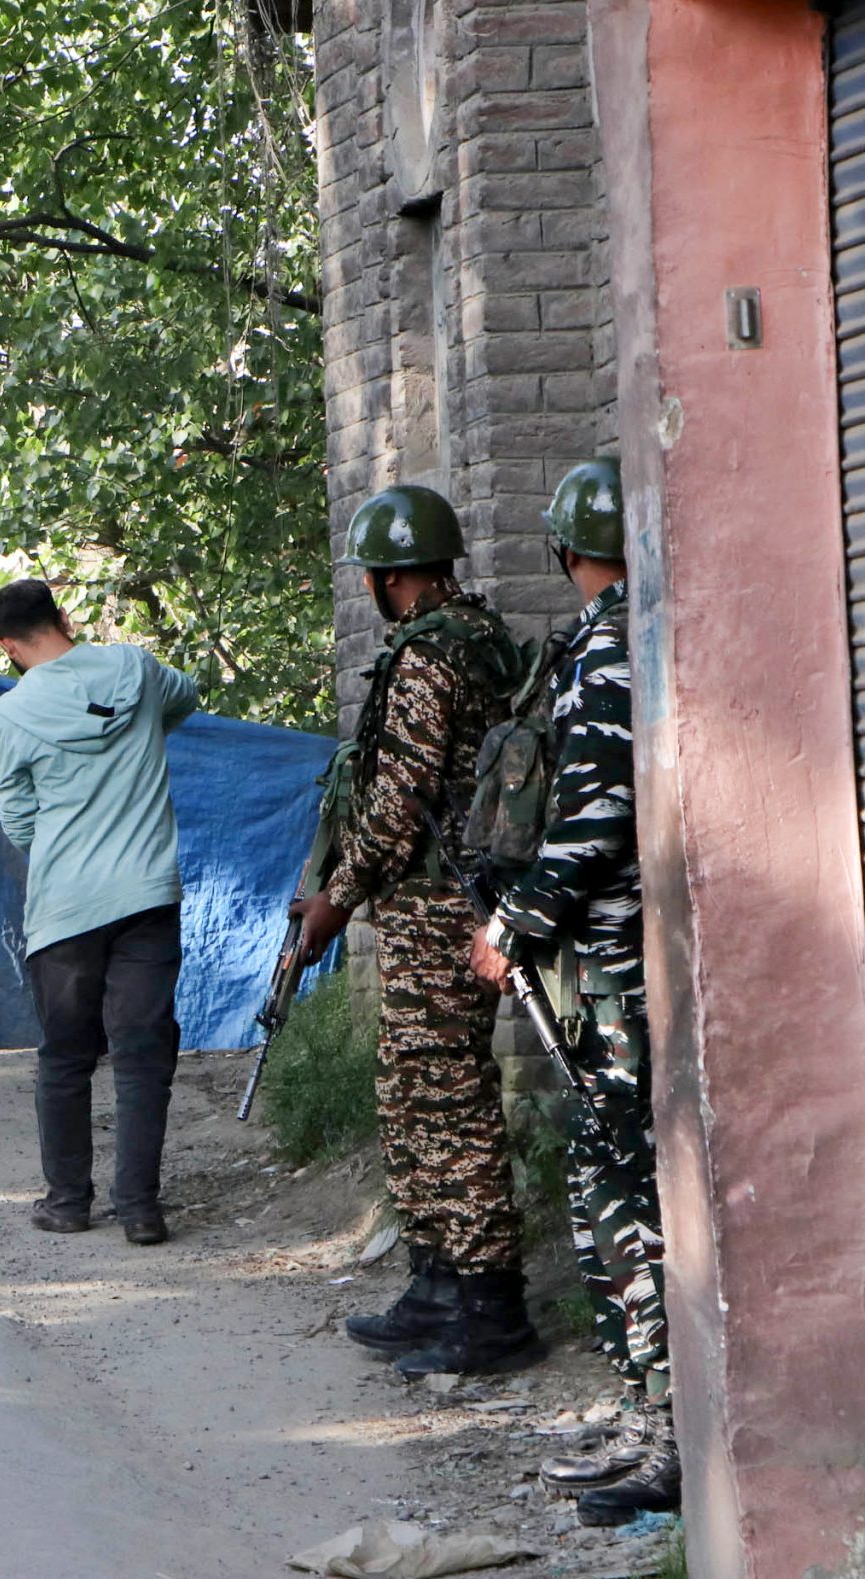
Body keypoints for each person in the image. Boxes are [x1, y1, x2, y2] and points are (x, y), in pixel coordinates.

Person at [467, 458, 676, 1524]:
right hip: (602, 968)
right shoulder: (627, 637)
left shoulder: (609, 651)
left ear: (564, 551)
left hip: (610, 972)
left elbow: (596, 819)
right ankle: (645, 1413)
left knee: (631, 1201)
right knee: (606, 1193)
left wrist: (516, 924)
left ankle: (668, 1430)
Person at [293, 484, 535, 1379]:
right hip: (431, 902)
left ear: (386, 576)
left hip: (438, 906)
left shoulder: (432, 655)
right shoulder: (471, 635)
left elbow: (397, 805)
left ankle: (489, 1303)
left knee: (447, 1098)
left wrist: (336, 898)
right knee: (411, 1091)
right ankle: (436, 1280)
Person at [0, 581, 200, 1245]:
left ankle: (68, 1201)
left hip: (64, 908)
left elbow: (18, 819)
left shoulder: (12, 715)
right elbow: (186, 696)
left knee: (66, 1056)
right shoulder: (133, 669)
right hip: (145, 895)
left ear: (8, 647)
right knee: (142, 1053)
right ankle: (139, 1207)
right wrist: (134, 739)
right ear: (64, 618)